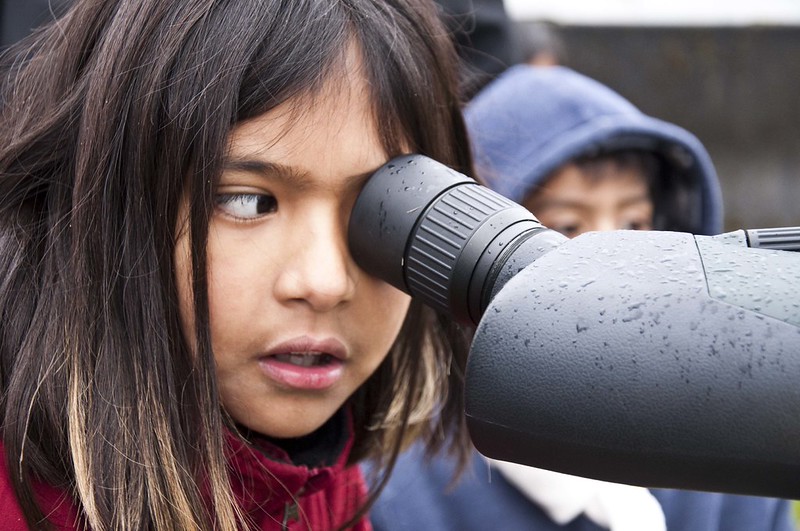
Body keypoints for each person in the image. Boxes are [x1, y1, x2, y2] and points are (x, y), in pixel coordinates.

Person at [0, 1, 475, 529]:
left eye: (377, 212)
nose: (325, 282)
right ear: (101, 205)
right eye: (248, 202)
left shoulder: (320, 478)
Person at [367, 65, 795, 531]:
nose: (614, 256)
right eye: (567, 228)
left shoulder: (732, 451)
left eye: (634, 224)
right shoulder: (402, 489)